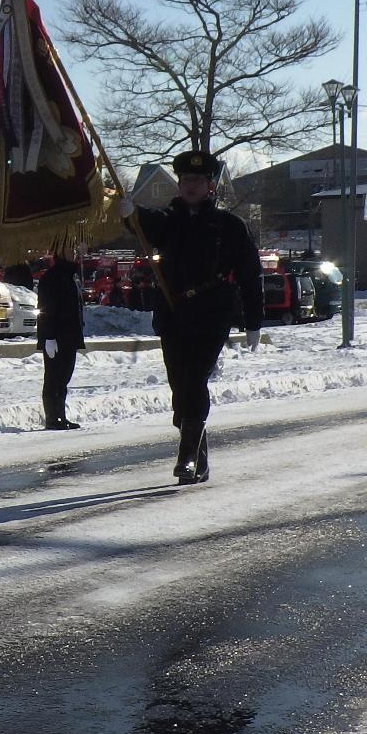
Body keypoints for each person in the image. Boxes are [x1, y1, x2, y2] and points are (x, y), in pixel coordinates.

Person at [121, 149, 263, 485]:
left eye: (198, 180)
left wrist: (254, 321)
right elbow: (148, 223)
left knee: (194, 381)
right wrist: (129, 214)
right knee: (179, 387)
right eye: (186, 180)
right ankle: (199, 460)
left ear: (210, 185)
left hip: (212, 313)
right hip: (174, 315)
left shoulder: (229, 226)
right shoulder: (170, 221)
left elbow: (250, 274)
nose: (191, 185)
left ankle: (185, 458)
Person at [36, 250, 85, 429]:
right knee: (53, 377)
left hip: (69, 336)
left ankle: (60, 416)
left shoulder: (70, 276)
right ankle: (52, 418)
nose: (75, 254)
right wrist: (48, 336)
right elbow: (46, 309)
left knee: (64, 377)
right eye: (71, 252)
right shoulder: (52, 278)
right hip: (56, 337)